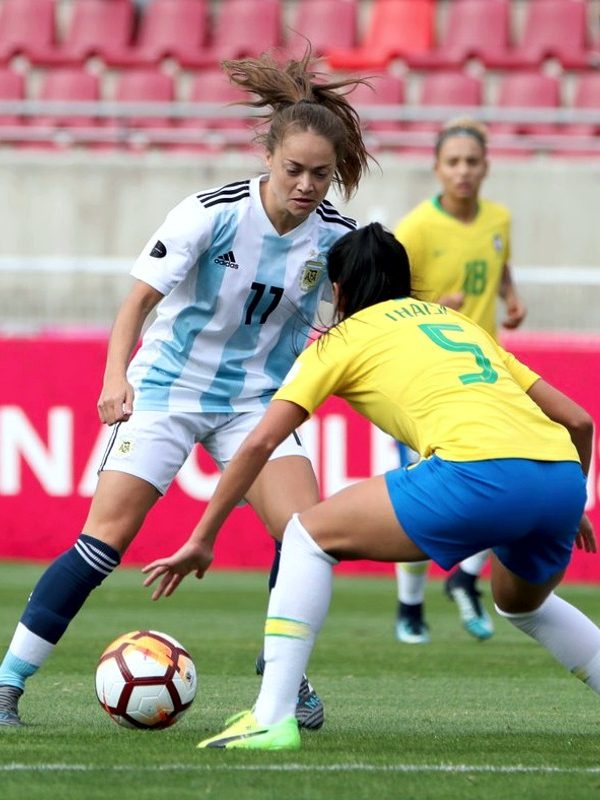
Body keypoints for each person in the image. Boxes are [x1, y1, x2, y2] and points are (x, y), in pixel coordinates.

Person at [0, 48, 372, 728]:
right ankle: (7, 683)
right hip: (169, 387)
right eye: (295, 169)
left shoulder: (337, 240)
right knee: (102, 542)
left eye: (321, 174)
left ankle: (282, 676)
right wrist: (115, 378)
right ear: (268, 154)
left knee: (306, 537)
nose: (308, 185)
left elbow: (354, 326)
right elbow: (136, 304)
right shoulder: (210, 213)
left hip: (256, 402)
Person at [142, 222, 595, 751]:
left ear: (338, 290)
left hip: (477, 470)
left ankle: (272, 716)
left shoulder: (341, 339)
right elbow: (581, 421)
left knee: (307, 536)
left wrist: (203, 535)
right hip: (561, 478)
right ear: (406, 280)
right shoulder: (459, 323)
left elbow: (259, 444)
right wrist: (568, 499)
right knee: (524, 605)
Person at [393, 117, 527, 645]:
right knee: (423, 496)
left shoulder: (498, 219)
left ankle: (466, 579)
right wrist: (429, 306)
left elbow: (499, 262)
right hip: (425, 380)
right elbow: (385, 300)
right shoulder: (416, 229)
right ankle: (410, 606)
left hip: (486, 376)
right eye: (454, 162)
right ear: (437, 169)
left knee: (504, 484)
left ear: (486, 167)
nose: (463, 171)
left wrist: (509, 297)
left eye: (472, 162)